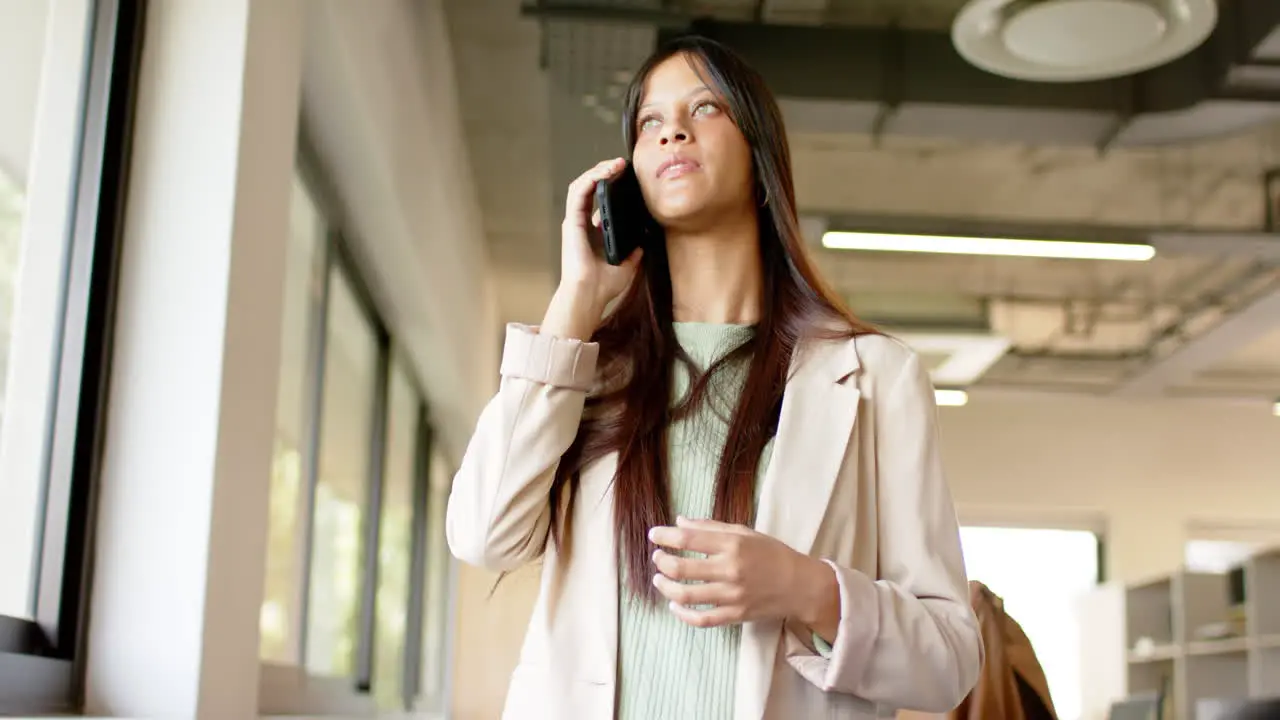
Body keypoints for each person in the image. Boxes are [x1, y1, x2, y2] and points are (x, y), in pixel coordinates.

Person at [446, 34, 983, 720]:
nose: (672, 129)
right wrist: (576, 299)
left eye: (705, 109)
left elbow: (949, 664)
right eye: (650, 121)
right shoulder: (589, 367)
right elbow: (483, 535)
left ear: (760, 157)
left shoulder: (877, 378)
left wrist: (804, 586)